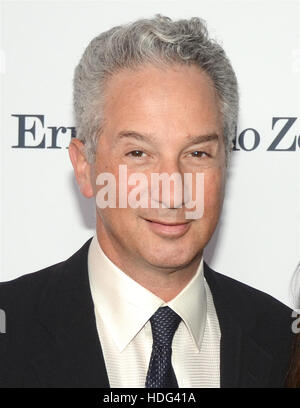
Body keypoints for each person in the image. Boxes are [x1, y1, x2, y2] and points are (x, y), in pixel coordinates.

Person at [0, 15, 294, 388]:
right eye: (139, 153)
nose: (172, 190)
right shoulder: (9, 329)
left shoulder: (286, 344)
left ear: (225, 164)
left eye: (198, 154)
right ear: (85, 167)